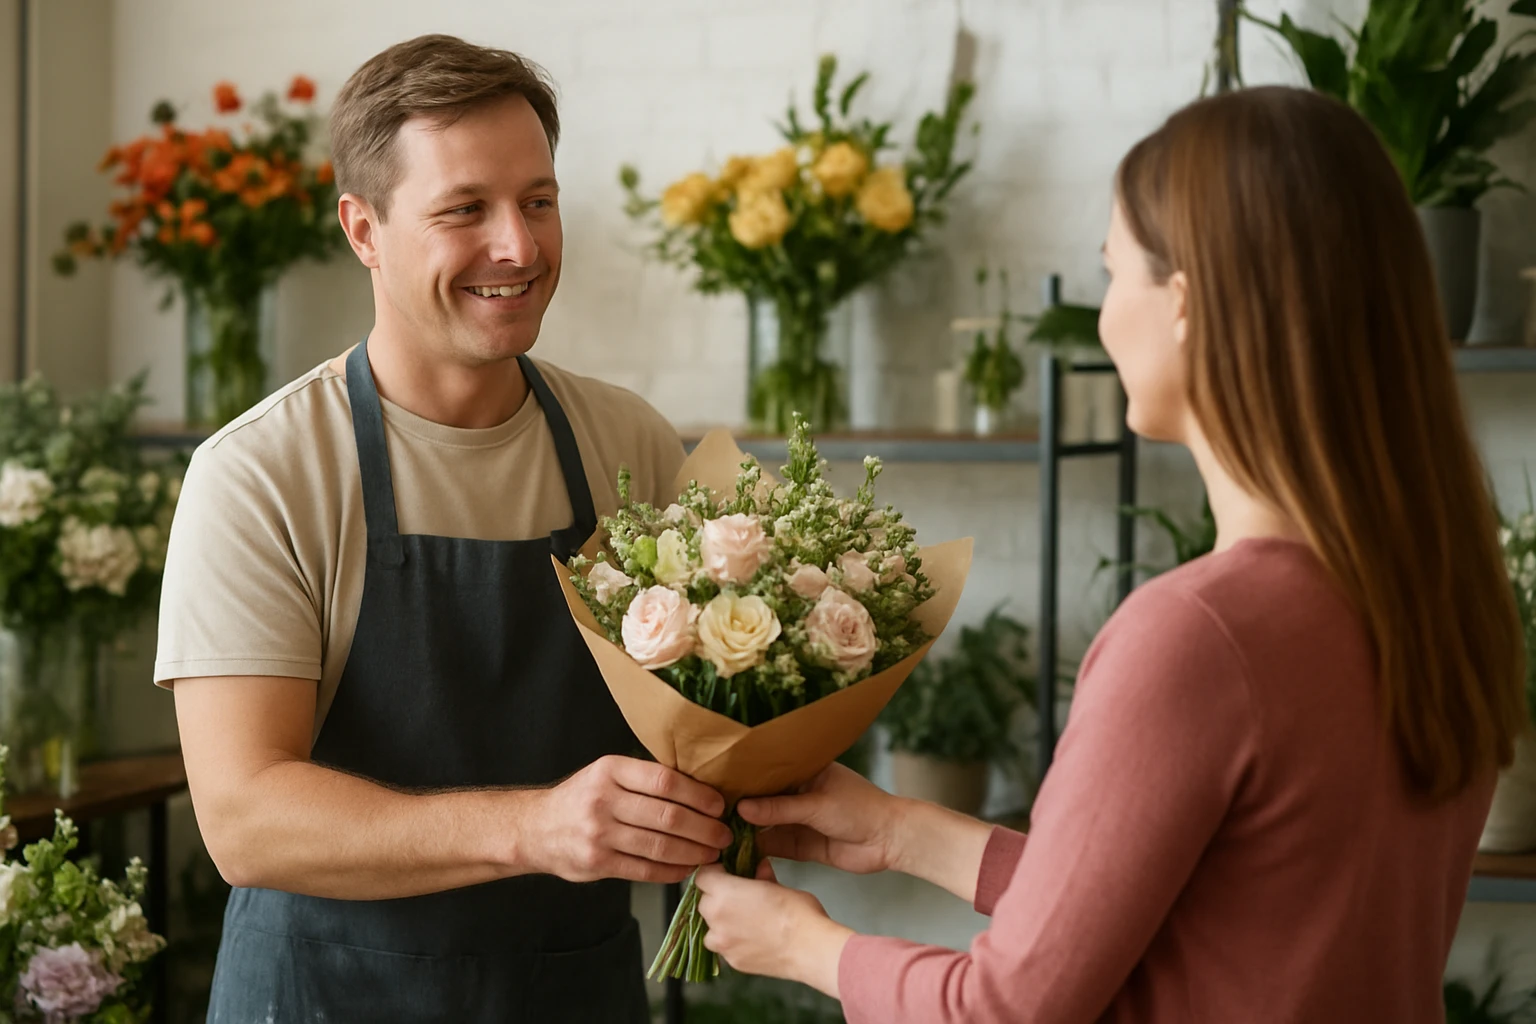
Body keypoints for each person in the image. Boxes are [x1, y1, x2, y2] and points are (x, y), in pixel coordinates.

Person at [694, 85, 1527, 1023]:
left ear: (1185, 303)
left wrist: (808, 947)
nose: (1100, 319)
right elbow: (1225, 912)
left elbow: (1006, 1010)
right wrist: (901, 832)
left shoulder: (1200, 635)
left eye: (1111, 272)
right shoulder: (1432, 596)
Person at [157, 34, 731, 1023]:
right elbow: (245, 817)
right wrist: (536, 826)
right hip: (325, 999)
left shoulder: (629, 445)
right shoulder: (260, 476)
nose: (518, 245)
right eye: (464, 209)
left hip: (573, 990)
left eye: (538, 201)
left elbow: (709, 724)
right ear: (364, 229)